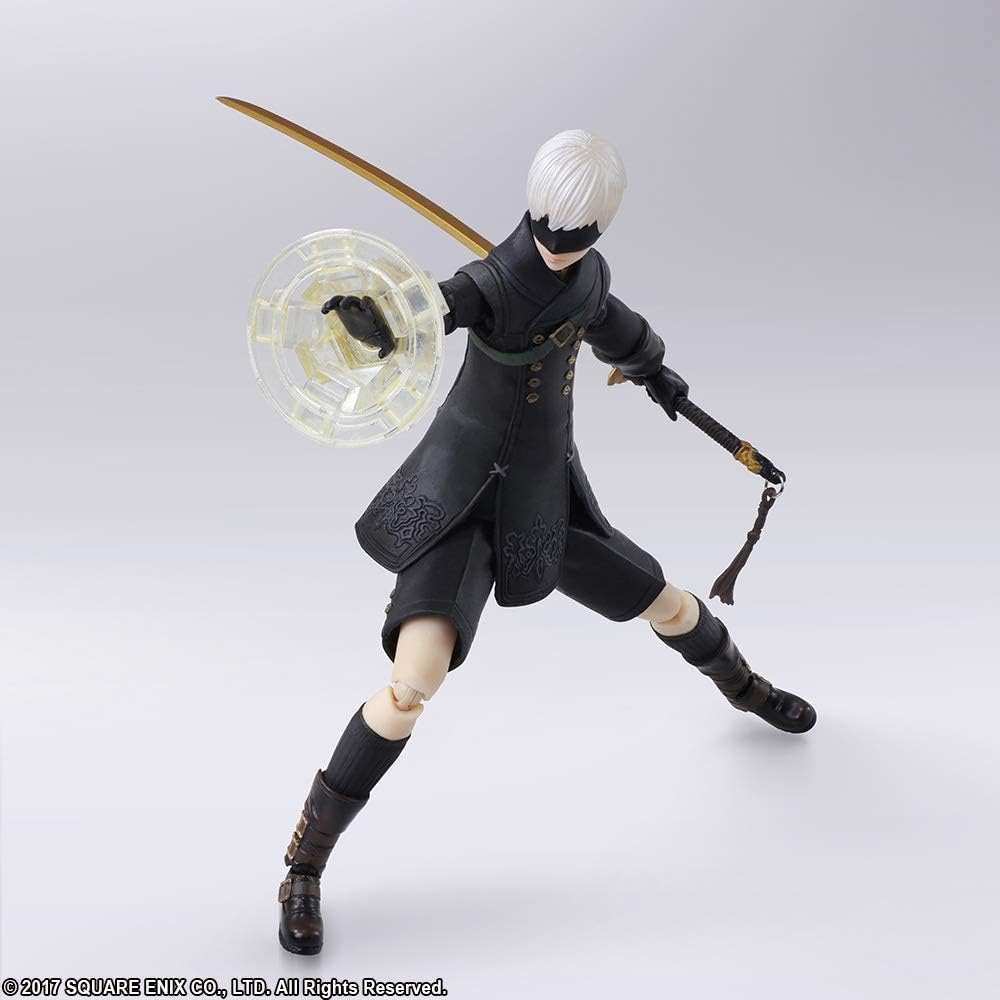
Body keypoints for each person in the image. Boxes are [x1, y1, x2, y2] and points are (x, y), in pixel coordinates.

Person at [277, 129, 816, 955]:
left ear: (600, 229)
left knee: (668, 604)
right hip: (460, 502)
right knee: (411, 684)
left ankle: (744, 688)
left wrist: (655, 370)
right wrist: (377, 323)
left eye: (581, 235)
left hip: (544, 501)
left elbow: (611, 323)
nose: (562, 248)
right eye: (551, 230)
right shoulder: (490, 281)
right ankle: (305, 864)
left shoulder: (589, 274)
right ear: (532, 209)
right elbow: (432, 308)